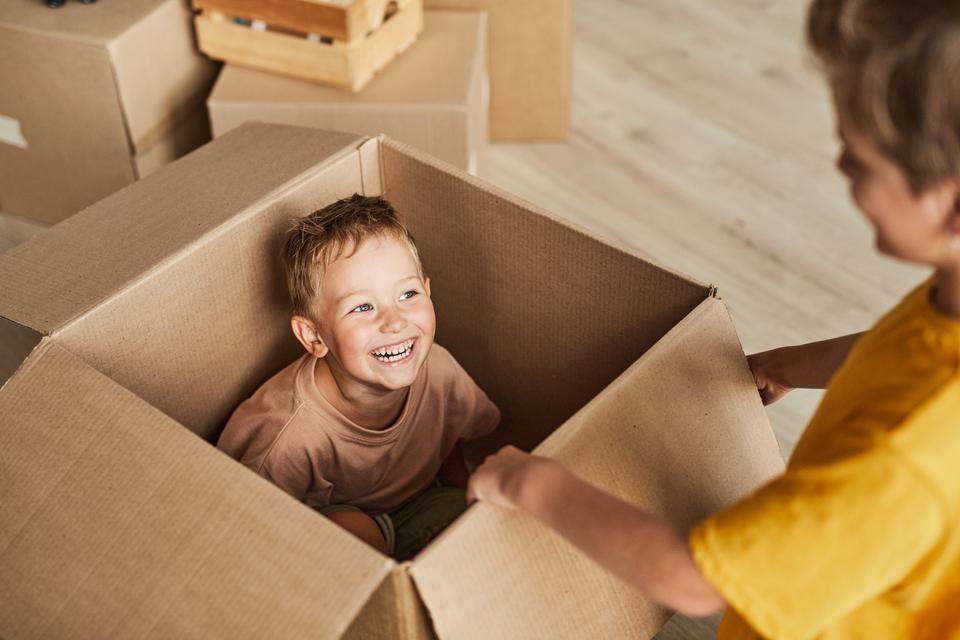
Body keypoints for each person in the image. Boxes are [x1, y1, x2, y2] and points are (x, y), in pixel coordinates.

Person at [467, 1, 960, 637]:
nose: (840, 166)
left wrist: (530, 483)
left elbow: (691, 580)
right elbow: (910, 346)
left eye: (858, 159)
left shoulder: (900, 463)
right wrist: (787, 364)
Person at [219, 194, 500, 561]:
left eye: (408, 294)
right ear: (314, 336)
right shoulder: (289, 436)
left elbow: (447, 439)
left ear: (429, 291)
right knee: (357, 532)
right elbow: (250, 524)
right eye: (363, 307)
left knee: (484, 512)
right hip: (330, 522)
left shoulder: (438, 368)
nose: (395, 321)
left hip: (420, 502)